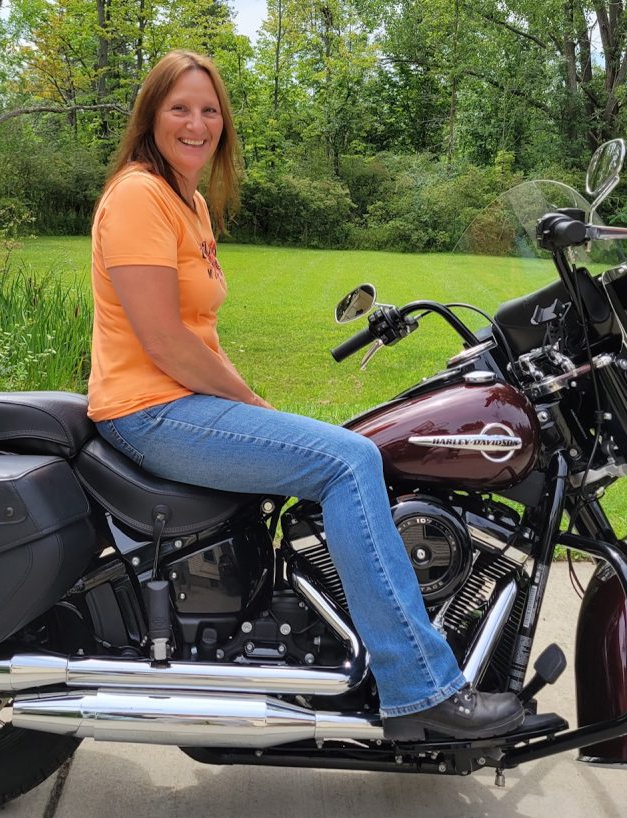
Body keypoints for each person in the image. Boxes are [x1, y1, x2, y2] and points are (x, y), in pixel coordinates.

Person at [88, 49, 524, 741]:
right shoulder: (139, 195)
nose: (197, 123)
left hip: (173, 403)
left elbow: (199, 330)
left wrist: (248, 404)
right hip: (148, 411)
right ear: (151, 116)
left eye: (209, 110)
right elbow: (165, 342)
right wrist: (251, 403)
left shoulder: (188, 200)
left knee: (344, 446)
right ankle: (421, 690)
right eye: (180, 108)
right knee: (350, 460)